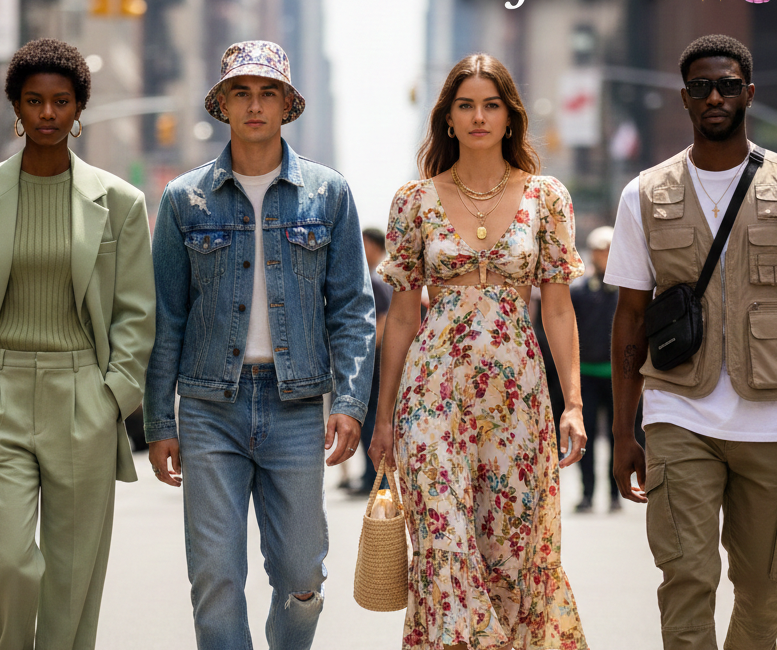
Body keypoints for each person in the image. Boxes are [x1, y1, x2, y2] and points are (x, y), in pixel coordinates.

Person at [607, 35, 777, 650]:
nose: (713, 96)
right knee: (687, 576)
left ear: (748, 94)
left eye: (725, 86)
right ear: (684, 99)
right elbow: (630, 319)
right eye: (699, 87)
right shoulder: (643, 193)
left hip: (771, 421)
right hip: (677, 413)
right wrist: (622, 431)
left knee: (767, 584)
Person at [143, 40, 375, 650]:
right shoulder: (183, 200)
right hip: (207, 407)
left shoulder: (328, 195)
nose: (254, 105)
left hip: (296, 405)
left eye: (266, 91)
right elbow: (165, 318)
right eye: (240, 92)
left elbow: (353, 308)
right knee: (216, 576)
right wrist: (157, 419)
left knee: (303, 576)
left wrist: (350, 402)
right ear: (221, 104)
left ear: (286, 103)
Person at [0, 38, 155, 650]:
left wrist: (113, 398)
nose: (48, 114)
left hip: (84, 392)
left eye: (61, 101)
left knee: (73, 573)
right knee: (6, 560)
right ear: (16, 107)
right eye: (34, 101)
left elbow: (136, 314)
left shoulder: (122, 204)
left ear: (80, 109)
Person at [368, 53, 589, 650]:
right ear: (447, 118)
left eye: (491, 104)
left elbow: (559, 308)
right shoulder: (414, 200)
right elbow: (402, 317)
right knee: (444, 551)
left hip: (516, 396)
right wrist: (384, 418)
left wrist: (572, 402)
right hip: (431, 396)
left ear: (511, 116)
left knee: (512, 560)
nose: (478, 116)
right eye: (465, 104)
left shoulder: (546, 197)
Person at [570, 226, 622, 513]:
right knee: (585, 438)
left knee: (619, 437)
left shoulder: (628, 289)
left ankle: (615, 494)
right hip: (586, 376)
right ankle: (587, 494)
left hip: (618, 378)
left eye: (609, 249)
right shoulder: (578, 290)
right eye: (600, 250)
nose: (605, 256)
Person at [347, 227, 393, 495]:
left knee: (371, 421)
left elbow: (384, 322)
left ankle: (374, 479)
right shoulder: (385, 276)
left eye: (363, 245)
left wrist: (360, 349)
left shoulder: (374, 280)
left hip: (373, 364)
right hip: (381, 363)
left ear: (375, 247)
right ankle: (372, 477)